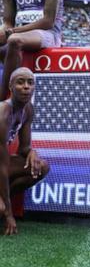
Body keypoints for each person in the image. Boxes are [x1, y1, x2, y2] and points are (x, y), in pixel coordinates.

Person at [0, 67, 49, 235]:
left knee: (40, 167)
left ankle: (3, 204)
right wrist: (8, 214)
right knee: (1, 208)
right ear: (10, 86)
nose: (26, 87)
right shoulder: (3, 113)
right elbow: (2, 168)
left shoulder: (28, 109)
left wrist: (31, 151)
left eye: (30, 82)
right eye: (20, 82)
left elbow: (24, 148)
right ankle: (4, 207)